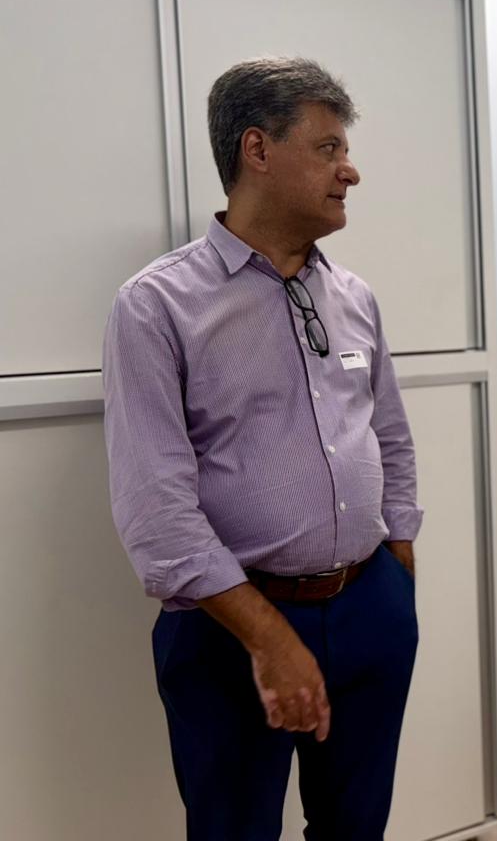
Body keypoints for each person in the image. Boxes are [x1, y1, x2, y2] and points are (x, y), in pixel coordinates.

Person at [103, 57, 422, 841]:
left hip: (368, 605)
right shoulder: (156, 307)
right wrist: (268, 637)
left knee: (357, 828)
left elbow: (389, 436)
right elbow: (157, 510)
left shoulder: (353, 297)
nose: (350, 170)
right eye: (327, 147)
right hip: (228, 627)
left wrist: (396, 574)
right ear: (257, 150)